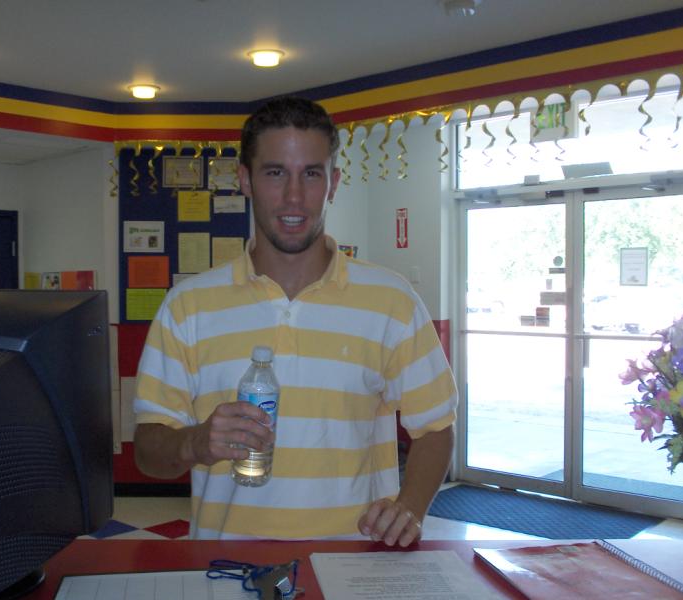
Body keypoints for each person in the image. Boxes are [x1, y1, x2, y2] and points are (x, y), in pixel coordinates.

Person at [133, 96, 456, 546]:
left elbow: (436, 427)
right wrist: (196, 442)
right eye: (275, 173)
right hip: (225, 566)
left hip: (351, 566)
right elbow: (148, 448)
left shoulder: (392, 301)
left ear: (333, 182)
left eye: (311, 174)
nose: (294, 197)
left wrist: (411, 508)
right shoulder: (187, 307)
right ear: (245, 179)